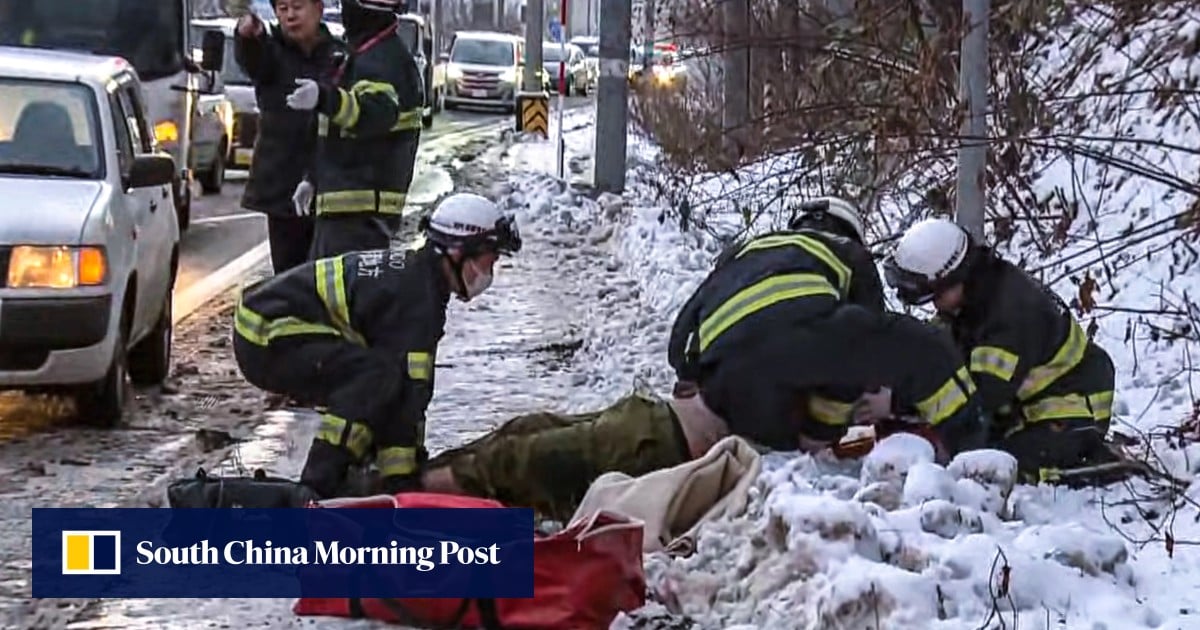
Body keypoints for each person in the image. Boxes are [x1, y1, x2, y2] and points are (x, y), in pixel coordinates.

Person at [419, 305, 985, 520]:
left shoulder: (840, 380)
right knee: (526, 440)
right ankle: (407, 485)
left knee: (524, 455)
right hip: (657, 432)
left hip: (663, 436)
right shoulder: (839, 366)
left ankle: (403, 490)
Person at [231, 193, 522, 498]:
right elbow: (411, 398)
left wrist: (399, 474)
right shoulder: (417, 300)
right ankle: (318, 488)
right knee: (374, 378)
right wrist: (403, 482)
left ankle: (351, 477)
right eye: (491, 256)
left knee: (378, 381)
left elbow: (400, 400)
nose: (491, 268)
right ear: (459, 251)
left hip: (271, 326)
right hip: (266, 333)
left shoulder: (420, 280)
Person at [883, 217, 1117, 479]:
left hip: (1068, 411)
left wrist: (896, 403)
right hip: (1022, 404)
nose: (935, 306)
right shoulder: (978, 292)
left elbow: (975, 403)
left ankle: (1090, 462)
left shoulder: (1007, 319)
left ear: (955, 277)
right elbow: (941, 348)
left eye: (935, 296)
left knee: (986, 463)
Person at [667, 196, 885, 390]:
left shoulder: (746, 249)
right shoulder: (850, 252)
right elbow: (873, 335)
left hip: (718, 369)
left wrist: (689, 375)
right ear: (850, 231)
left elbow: (687, 323)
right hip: (792, 371)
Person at [283, 0, 425, 259]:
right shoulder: (365, 54)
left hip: (361, 214)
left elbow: (375, 112)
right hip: (347, 209)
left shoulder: (384, 59)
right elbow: (340, 134)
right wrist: (313, 179)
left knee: (336, 295)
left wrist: (324, 99)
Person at [229, 0, 344, 274]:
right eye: (283, 8)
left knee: (327, 277)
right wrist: (248, 34)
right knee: (290, 275)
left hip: (331, 185)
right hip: (282, 186)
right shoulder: (272, 52)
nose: (290, 16)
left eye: (297, 7)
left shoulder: (339, 55)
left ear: (318, 8)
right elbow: (253, 58)